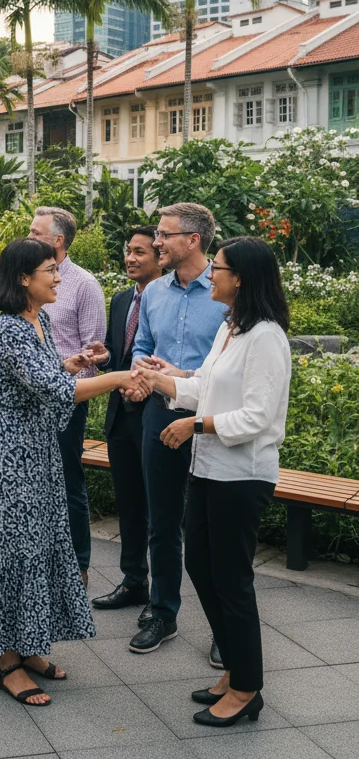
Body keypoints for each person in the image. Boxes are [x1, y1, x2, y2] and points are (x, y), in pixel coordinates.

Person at [0, 238, 139, 707]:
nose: (58, 277)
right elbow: (50, 388)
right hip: (9, 455)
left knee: (38, 545)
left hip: (37, 450)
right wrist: (118, 376)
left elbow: (47, 375)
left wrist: (71, 363)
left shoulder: (37, 322)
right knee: (15, 550)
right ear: (24, 279)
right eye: (49, 271)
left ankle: (30, 648)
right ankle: (6, 663)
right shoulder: (8, 330)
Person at [133, 237, 290, 727]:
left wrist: (194, 425)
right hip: (209, 470)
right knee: (200, 563)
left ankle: (246, 687)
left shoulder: (265, 336)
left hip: (241, 476)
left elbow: (259, 416)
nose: (211, 277)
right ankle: (237, 672)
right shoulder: (232, 329)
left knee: (233, 581)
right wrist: (162, 381)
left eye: (218, 269)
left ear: (239, 278)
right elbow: (203, 384)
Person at [125, 203, 227, 656]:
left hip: (212, 421)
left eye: (165, 235)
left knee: (214, 527)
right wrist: (140, 370)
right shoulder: (154, 293)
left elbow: (227, 368)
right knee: (162, 520)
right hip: (160, 415)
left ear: (193, 240)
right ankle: (163, 612)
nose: (157, 242)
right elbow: (143, 346)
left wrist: (179, 375)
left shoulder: (227, 292)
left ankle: (227, 631)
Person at [82, 227, 162, 621]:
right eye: (127, 251)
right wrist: (104, 353)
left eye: (139, 252)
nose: (130, 258)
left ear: (160, 257)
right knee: (129, 505)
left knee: (161, 511)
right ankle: (134, 581)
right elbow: (121, 354)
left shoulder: (167, 301)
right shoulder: (120, 300)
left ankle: (163, 598)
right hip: (121, 416)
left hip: (156, 415)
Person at [29, 207, 106, 584]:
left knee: (67, 479)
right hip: (32, 400)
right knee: (38, 480)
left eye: (35, 231)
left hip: (67, 399)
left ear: (57, 240)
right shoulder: (29, 280)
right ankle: (44, 557)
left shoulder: (84, 285)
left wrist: (64, 371)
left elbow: (94, 354)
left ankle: (79, 564)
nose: (28, 235)